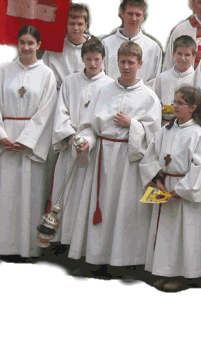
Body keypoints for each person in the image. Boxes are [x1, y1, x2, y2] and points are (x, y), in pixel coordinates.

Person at [68, 41, 161, 271]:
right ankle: (98, 258)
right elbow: (89, 126)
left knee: (125, 210)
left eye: (131, 62)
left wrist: (133, 124)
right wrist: (86, 142)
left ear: (140, 64)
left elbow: (155, 136)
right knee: (103, 208)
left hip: (130, 162)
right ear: (116, 62)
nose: (126, 67)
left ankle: (125, 261)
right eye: (122, 62)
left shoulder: (149, 97)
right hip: (103, 156)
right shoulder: (104, 91)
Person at [0, 25, 57, 259]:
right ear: (17, 43)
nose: (26, 47)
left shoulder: (46, 74)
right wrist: (0, 135)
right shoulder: (4, 70)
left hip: (30, 143)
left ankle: (28, 248)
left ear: (39, 45)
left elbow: (47, 111)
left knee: (30, 194)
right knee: (6, 193)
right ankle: (3, 247)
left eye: (30, 43)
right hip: (6, 139)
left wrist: (27, 140)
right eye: (22, 42)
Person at [139, 86, 201, 292]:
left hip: (182, 191)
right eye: (174, 101)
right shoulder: (166, 130)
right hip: (165, 186)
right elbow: (151, 155)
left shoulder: (197, 134)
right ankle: (162, 271)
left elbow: (200, 166)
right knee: (164, 233)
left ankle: (181, 275)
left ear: (193, 108)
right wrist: (158, 179)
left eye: (180, 103)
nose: (175, 106)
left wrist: (180, 190)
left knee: (183, 234)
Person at [49, 38, 113, 245]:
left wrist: (88, 140)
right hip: (70, 144)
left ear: (103, 59)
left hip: (92, 149)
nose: (93, 64)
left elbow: (106, 119)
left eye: (96, 59)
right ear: (82, 58)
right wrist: (69, 137)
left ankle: (83, 242)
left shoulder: (109, 85)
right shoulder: (70, 81)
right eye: (88, 59)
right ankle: (62, 238)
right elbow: (61, 111)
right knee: (65, 190)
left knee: (86, 195)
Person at [101, 0, 163, 85]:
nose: (134, 19)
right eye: (130, 14)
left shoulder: (153, 48)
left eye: (138, 15)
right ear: (122, 13)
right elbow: (101, 77)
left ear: (143, 16)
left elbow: (154, 81)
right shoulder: (106, 44)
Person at [42, 3, 91, 89]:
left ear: (85, 26)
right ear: (66, 25)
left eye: (79, 24)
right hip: (58, 96)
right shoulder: (53, 49)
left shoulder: (95, 48)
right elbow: (43, 75)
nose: (75, 28)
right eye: (72, 24)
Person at [152, 35, 197, 123]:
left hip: (188, 125)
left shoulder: (197, 78)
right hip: (165, 123)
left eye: (187, 55)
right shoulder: (163, 77)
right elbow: (154, 100)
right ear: (173, 54)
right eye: (179, 54)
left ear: (194, 55)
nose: (182, 58)